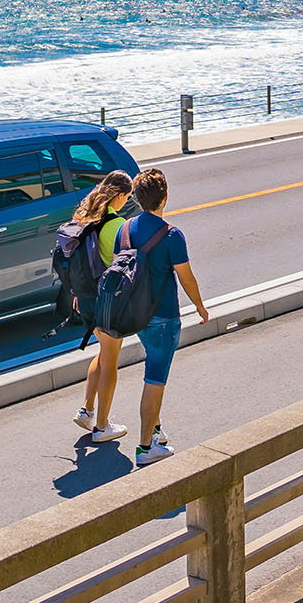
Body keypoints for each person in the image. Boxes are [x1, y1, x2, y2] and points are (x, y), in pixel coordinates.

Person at [119, 168, 208, 468]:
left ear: (138, 198)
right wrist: (199, 306)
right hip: (164, 318)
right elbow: (186, 278)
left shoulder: (126, 229)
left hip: (136, 316)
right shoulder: (172, 235)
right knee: (154, 380)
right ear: (165, 198)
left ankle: (155, 430)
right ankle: (145, 447)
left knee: (154, 372)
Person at [70, 170, 137, 444]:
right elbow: (122, 266)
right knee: (111, 362)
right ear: (120, 196)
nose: (127, 202)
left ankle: (86, 410)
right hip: (107, 301)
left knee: (103, 352)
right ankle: (102, 427)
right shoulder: (117, 225)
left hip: (84, 299)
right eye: (128, 197)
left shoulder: (84, 215)